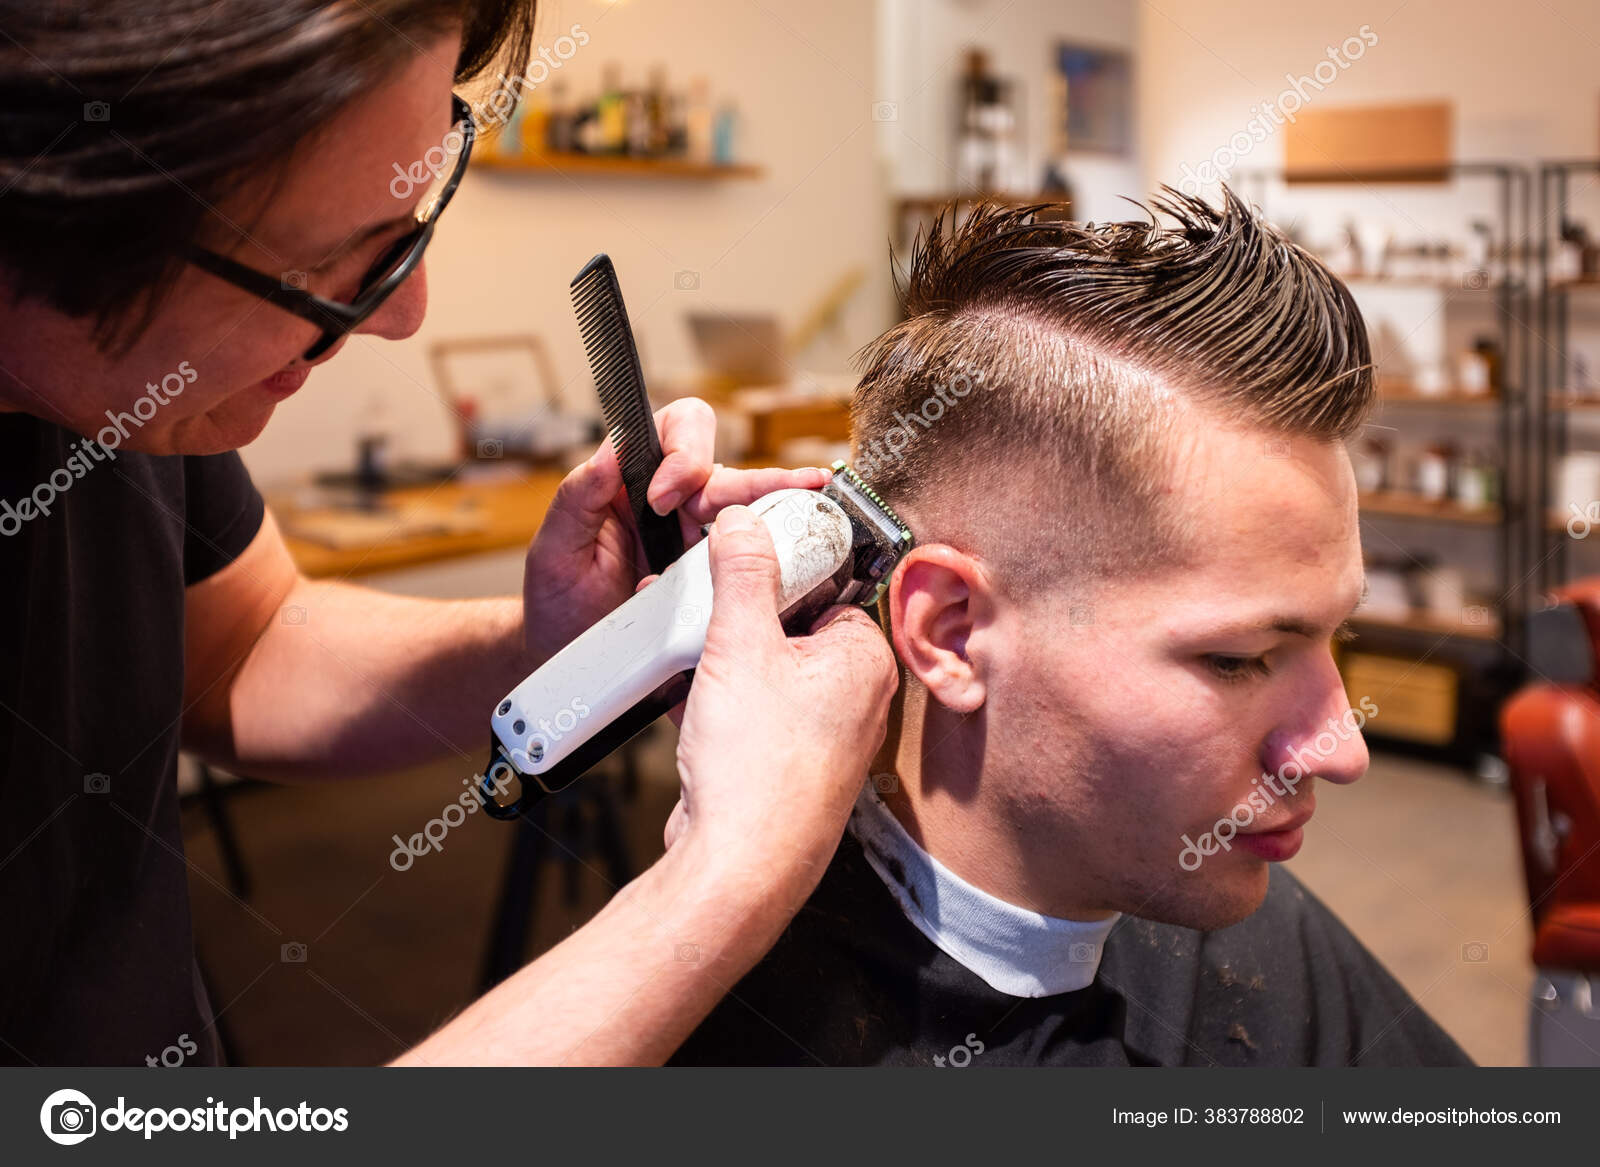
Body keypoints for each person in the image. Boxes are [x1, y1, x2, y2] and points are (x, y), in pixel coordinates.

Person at [0, 1, 896, 1067]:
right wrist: (729, 873)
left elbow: (244, 646)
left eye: (413, 230)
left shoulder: (138, 409)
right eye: (341, 269)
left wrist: (569, 643)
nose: (405, 313)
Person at [671, 192, 1474, 1067]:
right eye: (1240, 659)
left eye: (1333, 636)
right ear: (949, 631)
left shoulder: (1236, 907)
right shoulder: (736, 1039)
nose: (1341, 748)